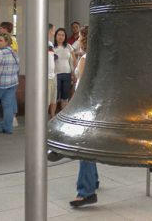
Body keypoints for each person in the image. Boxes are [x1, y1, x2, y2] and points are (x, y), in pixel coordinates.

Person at [70, 26, 99, 208]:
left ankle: (86, 191)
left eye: (80, 37)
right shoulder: (96, 58)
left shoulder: (85, 59)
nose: (78, 40)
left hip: (85, 107)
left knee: (83, 148)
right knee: (88, 147)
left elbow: (81, 87)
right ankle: (93, 180)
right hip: (93, 107)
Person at [53, 28, 76, 110]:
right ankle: (52, 116)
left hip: (67, 74)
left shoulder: (69, 47)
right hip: (56, 74)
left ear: (65, 37)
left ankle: (63, 115)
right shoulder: (52, 47)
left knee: (65, 96)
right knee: (55, 96)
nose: (60, 37)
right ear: (55, 36)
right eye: (59, 35)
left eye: (63, 35)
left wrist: (74, 73)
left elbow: (74, 61)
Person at [47, 24, 57, 119]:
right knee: (46, 100)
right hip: (46, 77)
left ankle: (52, 117)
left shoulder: (50, 44)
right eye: (54, 30)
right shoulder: (43, 43)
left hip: (52, 75)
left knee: (53, 99)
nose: (54, 32)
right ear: (50, 31)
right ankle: (41, 121)